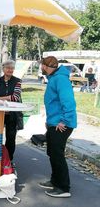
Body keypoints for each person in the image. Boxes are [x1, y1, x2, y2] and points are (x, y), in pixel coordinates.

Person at [38, 56, 76, 198]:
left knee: (57, 155)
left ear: (47, 66)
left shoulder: (60, 79)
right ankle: (55, 181)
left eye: (43, 66)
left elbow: (69, 101)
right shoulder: (54, 77)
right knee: (52, 153)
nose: (42, 69)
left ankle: (63, 187)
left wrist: (64, 120)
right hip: (54, 122)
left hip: (62, 124)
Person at [0, 60, 22, 162]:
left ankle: (9, 160)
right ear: (3, 69)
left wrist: (0, 98)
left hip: (12, 114)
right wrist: (7, 97)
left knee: (11, 138)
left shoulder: (17, 81)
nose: (10, 70)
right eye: (8, 68)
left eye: (12, 68)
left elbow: (15, 97)